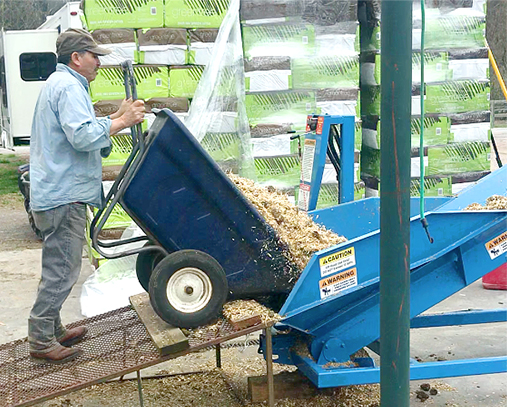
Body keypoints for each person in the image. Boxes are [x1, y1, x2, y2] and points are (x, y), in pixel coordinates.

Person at [28, 28, 145, 364]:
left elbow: (79, 130)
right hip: (64, 195)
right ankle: (40, 340)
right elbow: (81, 136)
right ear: (76, 58)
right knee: (62, 270)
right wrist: (122, 121)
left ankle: (53, 329)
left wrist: (112, 118)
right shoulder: (68, 87)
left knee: (57, 265)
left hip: (58, 191)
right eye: (94, 56)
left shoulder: (61, 84)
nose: (98, 63)